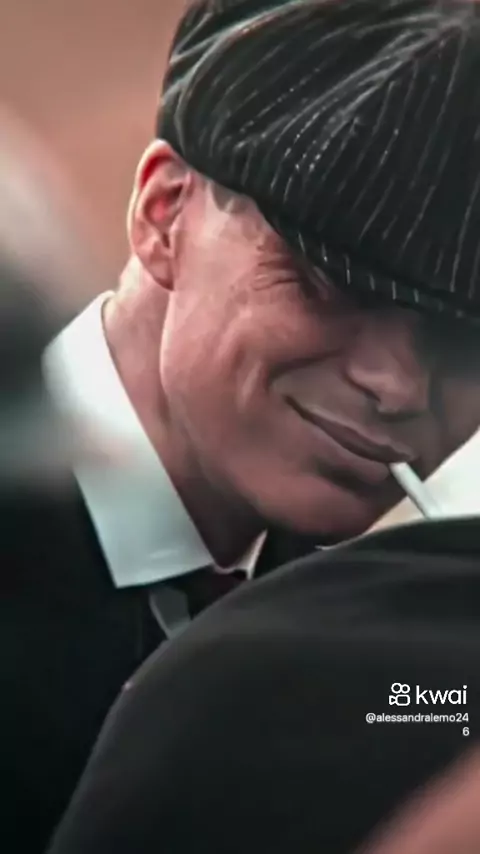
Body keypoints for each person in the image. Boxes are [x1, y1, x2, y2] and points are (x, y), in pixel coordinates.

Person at [7, 0, 480, 849]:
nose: (398, 386)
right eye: (331, 284)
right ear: (164, 215)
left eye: (467, 340)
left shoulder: (387, 653)